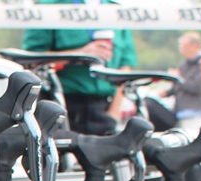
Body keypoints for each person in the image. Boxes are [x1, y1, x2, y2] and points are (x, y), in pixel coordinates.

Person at [21, 0, 137, 135]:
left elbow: (125, 66)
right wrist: (81, 54)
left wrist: (113, 113)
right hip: (59, 105)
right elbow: (30, 60)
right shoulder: (49, 5)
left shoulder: (115, 9)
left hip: (103, 109)